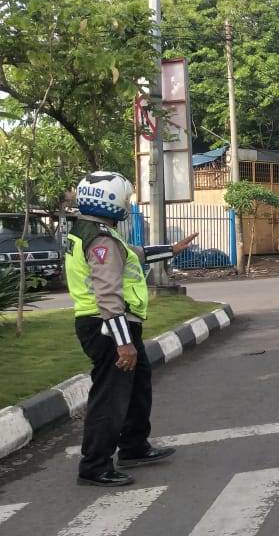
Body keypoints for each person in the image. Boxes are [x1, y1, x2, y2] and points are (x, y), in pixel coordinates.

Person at [66, 171, 197, 487]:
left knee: (138, 384)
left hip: (113, 324)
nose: (127, 204)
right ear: (111, 201)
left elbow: (133, 254)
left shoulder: (92, 231)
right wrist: (124, 343)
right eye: (125, 198)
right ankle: (94, 466)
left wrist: (171, 249)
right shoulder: (101, 240)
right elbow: (108, 295)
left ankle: (134, 446)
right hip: (107, 326)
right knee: (111, 396)